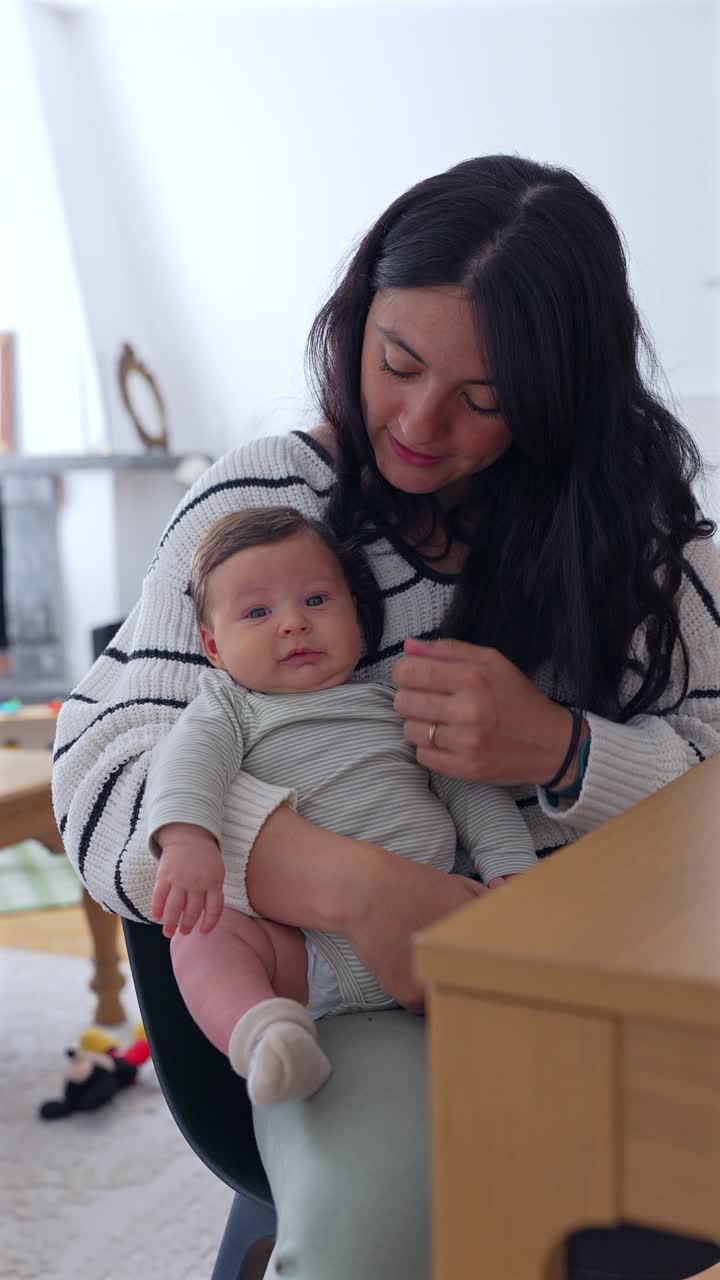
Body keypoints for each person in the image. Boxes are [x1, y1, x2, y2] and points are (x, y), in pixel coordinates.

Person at [52, 154, 720, 1279]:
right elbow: (105, 770)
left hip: (612, 1005)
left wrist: (564, 752)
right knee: (387, 1228)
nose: (416, 422)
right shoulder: (266, 500)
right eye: (396, 361)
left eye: (485, 398)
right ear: (356, 318)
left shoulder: (645, 543)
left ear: (561, 395)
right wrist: (356, 885)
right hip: (335, 1007)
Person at [147, 505, 536, 1104]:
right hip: (304, 950)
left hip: (435, 922)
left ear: (357, 615)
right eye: (258, 612)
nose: (294, 624)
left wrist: (511, 873)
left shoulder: (395, 703)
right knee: (203, 940)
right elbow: (185, 766)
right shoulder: (227, 708)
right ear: (213, 647)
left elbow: (468, 788)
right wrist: (188, 840)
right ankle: (266, 1036)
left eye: (318, 601)